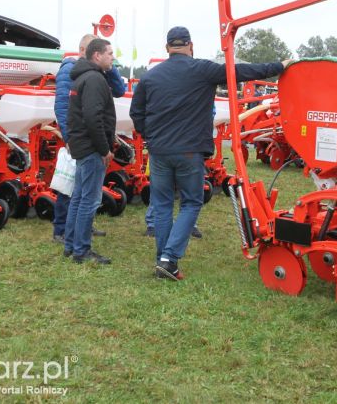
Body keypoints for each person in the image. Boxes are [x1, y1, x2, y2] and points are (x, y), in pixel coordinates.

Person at [130, 26, 289, 280]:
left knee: (161, 205)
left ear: (167, 48)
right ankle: (168, 259)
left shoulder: (151, 76)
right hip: (190, 151)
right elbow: (241, 71)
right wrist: (279, 66)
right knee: (191, 202)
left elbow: (136, 113)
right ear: (190, 46)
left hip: (159, 151)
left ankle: (163, 257)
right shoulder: (202, 69)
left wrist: (150, 135)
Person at [53, 34, 125, 244]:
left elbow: (119, 90)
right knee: (76, 191)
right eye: (109, 54)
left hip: (83, 139)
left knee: (79, 192)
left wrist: (110, 69)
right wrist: (70, 137)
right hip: (84, 141)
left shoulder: (95, 75)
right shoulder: (77, 74)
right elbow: (67, 108)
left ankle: (75, 235)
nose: (112, 57)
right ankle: (67, 235)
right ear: (89, 52)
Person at [63, 38, 117, 264]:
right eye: (110, 53)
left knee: (78, 197)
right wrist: (105, 149)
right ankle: (81, 250)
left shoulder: (83, 77)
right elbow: (93, 117)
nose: (112, 58)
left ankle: (71, 244)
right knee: (89, 199)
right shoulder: (94, 79)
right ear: (97, 55)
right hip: (92, 148)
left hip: (82, 145)